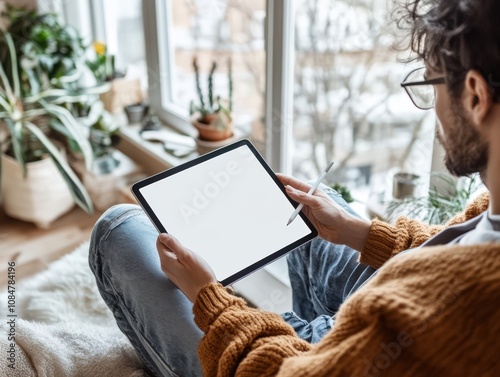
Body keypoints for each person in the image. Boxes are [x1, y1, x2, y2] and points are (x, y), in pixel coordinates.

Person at [89, 0, 500, 375]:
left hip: (325, 358)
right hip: (375, 316)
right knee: (302, 204)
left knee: (118, 230)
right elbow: (451, 247)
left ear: (476, 95)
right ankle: (295, 322)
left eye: (430, 87)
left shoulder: (461, 306)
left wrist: (208, 299)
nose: (435, 117)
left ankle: (293, 331)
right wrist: (358, 233)